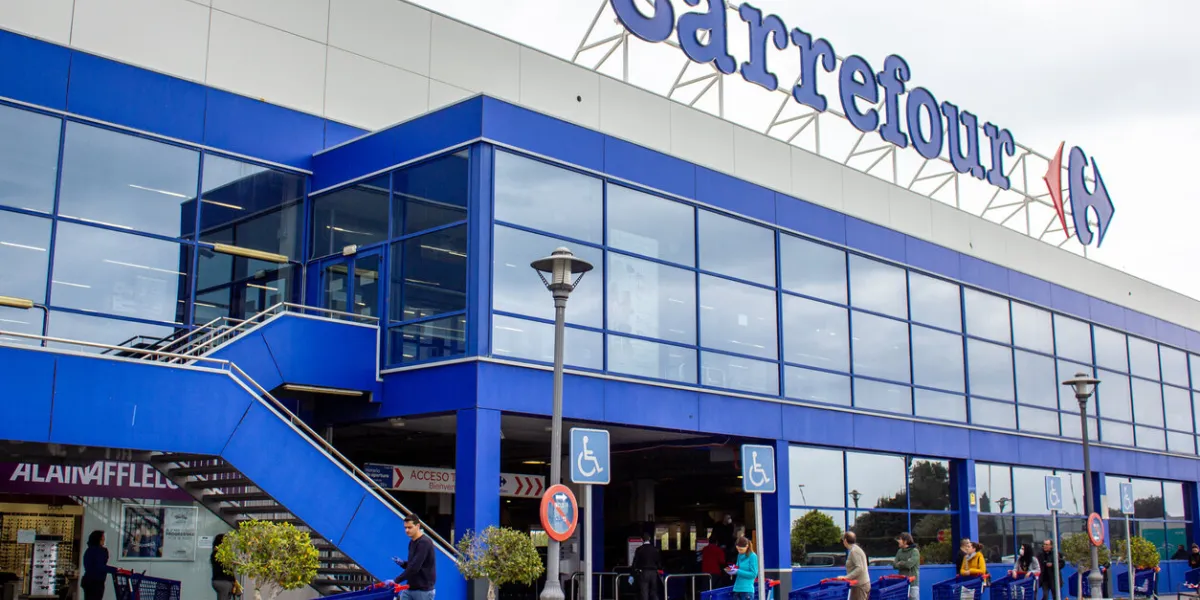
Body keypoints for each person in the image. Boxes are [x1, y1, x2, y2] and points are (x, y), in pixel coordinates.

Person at [388, 516, 436, 600]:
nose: (407, 530)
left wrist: (396, 580)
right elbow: (413, 565)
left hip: (423, 590)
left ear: (417, 526)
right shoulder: (412, 542)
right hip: (410, 587)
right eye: (405, 528)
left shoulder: (425, 542)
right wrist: (403, 563)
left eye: (410, 527)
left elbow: (415, 567)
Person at [838, 533, 871, 600]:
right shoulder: (856, 549)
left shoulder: (854, 551)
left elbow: (859, 568)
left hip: (860, 586)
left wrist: (846, 577)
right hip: (859, 584)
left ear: (845, 541)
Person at [81, 530, 111, 600]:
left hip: (87, 580)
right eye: (103, 537)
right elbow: (100, 566)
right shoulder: (101, 551)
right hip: (96, 582)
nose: (104, 539)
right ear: (99, 539)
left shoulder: (88, 550)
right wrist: (116, 570)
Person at [632, 536, 663, 600]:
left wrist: (632, 573)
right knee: (654, 592)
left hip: (643, 572)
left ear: (642, 540)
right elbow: (659, 562)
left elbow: (635, 562)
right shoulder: (655, 549)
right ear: (649, 539)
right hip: (654, 573)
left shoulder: (639, 549)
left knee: (644, 592)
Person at [893, 533, 920, 600]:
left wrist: (900, 562)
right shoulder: (899, 551)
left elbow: (909, 565)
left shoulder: (914, 551)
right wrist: (905, 562)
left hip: (912, 584)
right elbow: (894, 565)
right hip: (902, 584)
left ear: (905, 541)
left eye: (900, 539)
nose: (898, 541)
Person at [211, 533, 236, 600]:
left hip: (216, 580)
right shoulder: (223, 554)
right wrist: (234, 581)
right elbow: (228, 569)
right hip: (224, 581)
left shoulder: (214, 554)